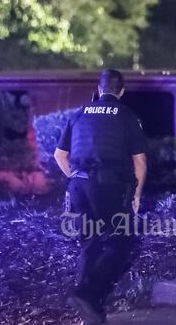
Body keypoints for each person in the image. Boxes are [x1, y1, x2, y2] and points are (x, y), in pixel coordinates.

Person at [53, 69, 147, 324]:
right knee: (121, 242)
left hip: (79, 186)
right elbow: (139, 161)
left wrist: (76, 176)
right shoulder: (127, 116)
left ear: (99, 88)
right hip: (108, 187)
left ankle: (89, 309)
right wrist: (137, 195)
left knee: (89, 243)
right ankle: (86, 293)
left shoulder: (80, 113)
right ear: (122, 91)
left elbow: (59, 156)